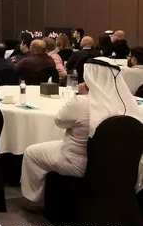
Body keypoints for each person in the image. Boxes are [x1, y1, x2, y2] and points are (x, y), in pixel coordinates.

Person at [20, 57, 139, 205]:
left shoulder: (82, 102)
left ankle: (34, 201)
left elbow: (59, 121)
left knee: (31, 152)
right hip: (121, 164)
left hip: (78, 163)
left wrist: (80, 96)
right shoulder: (129, 104)